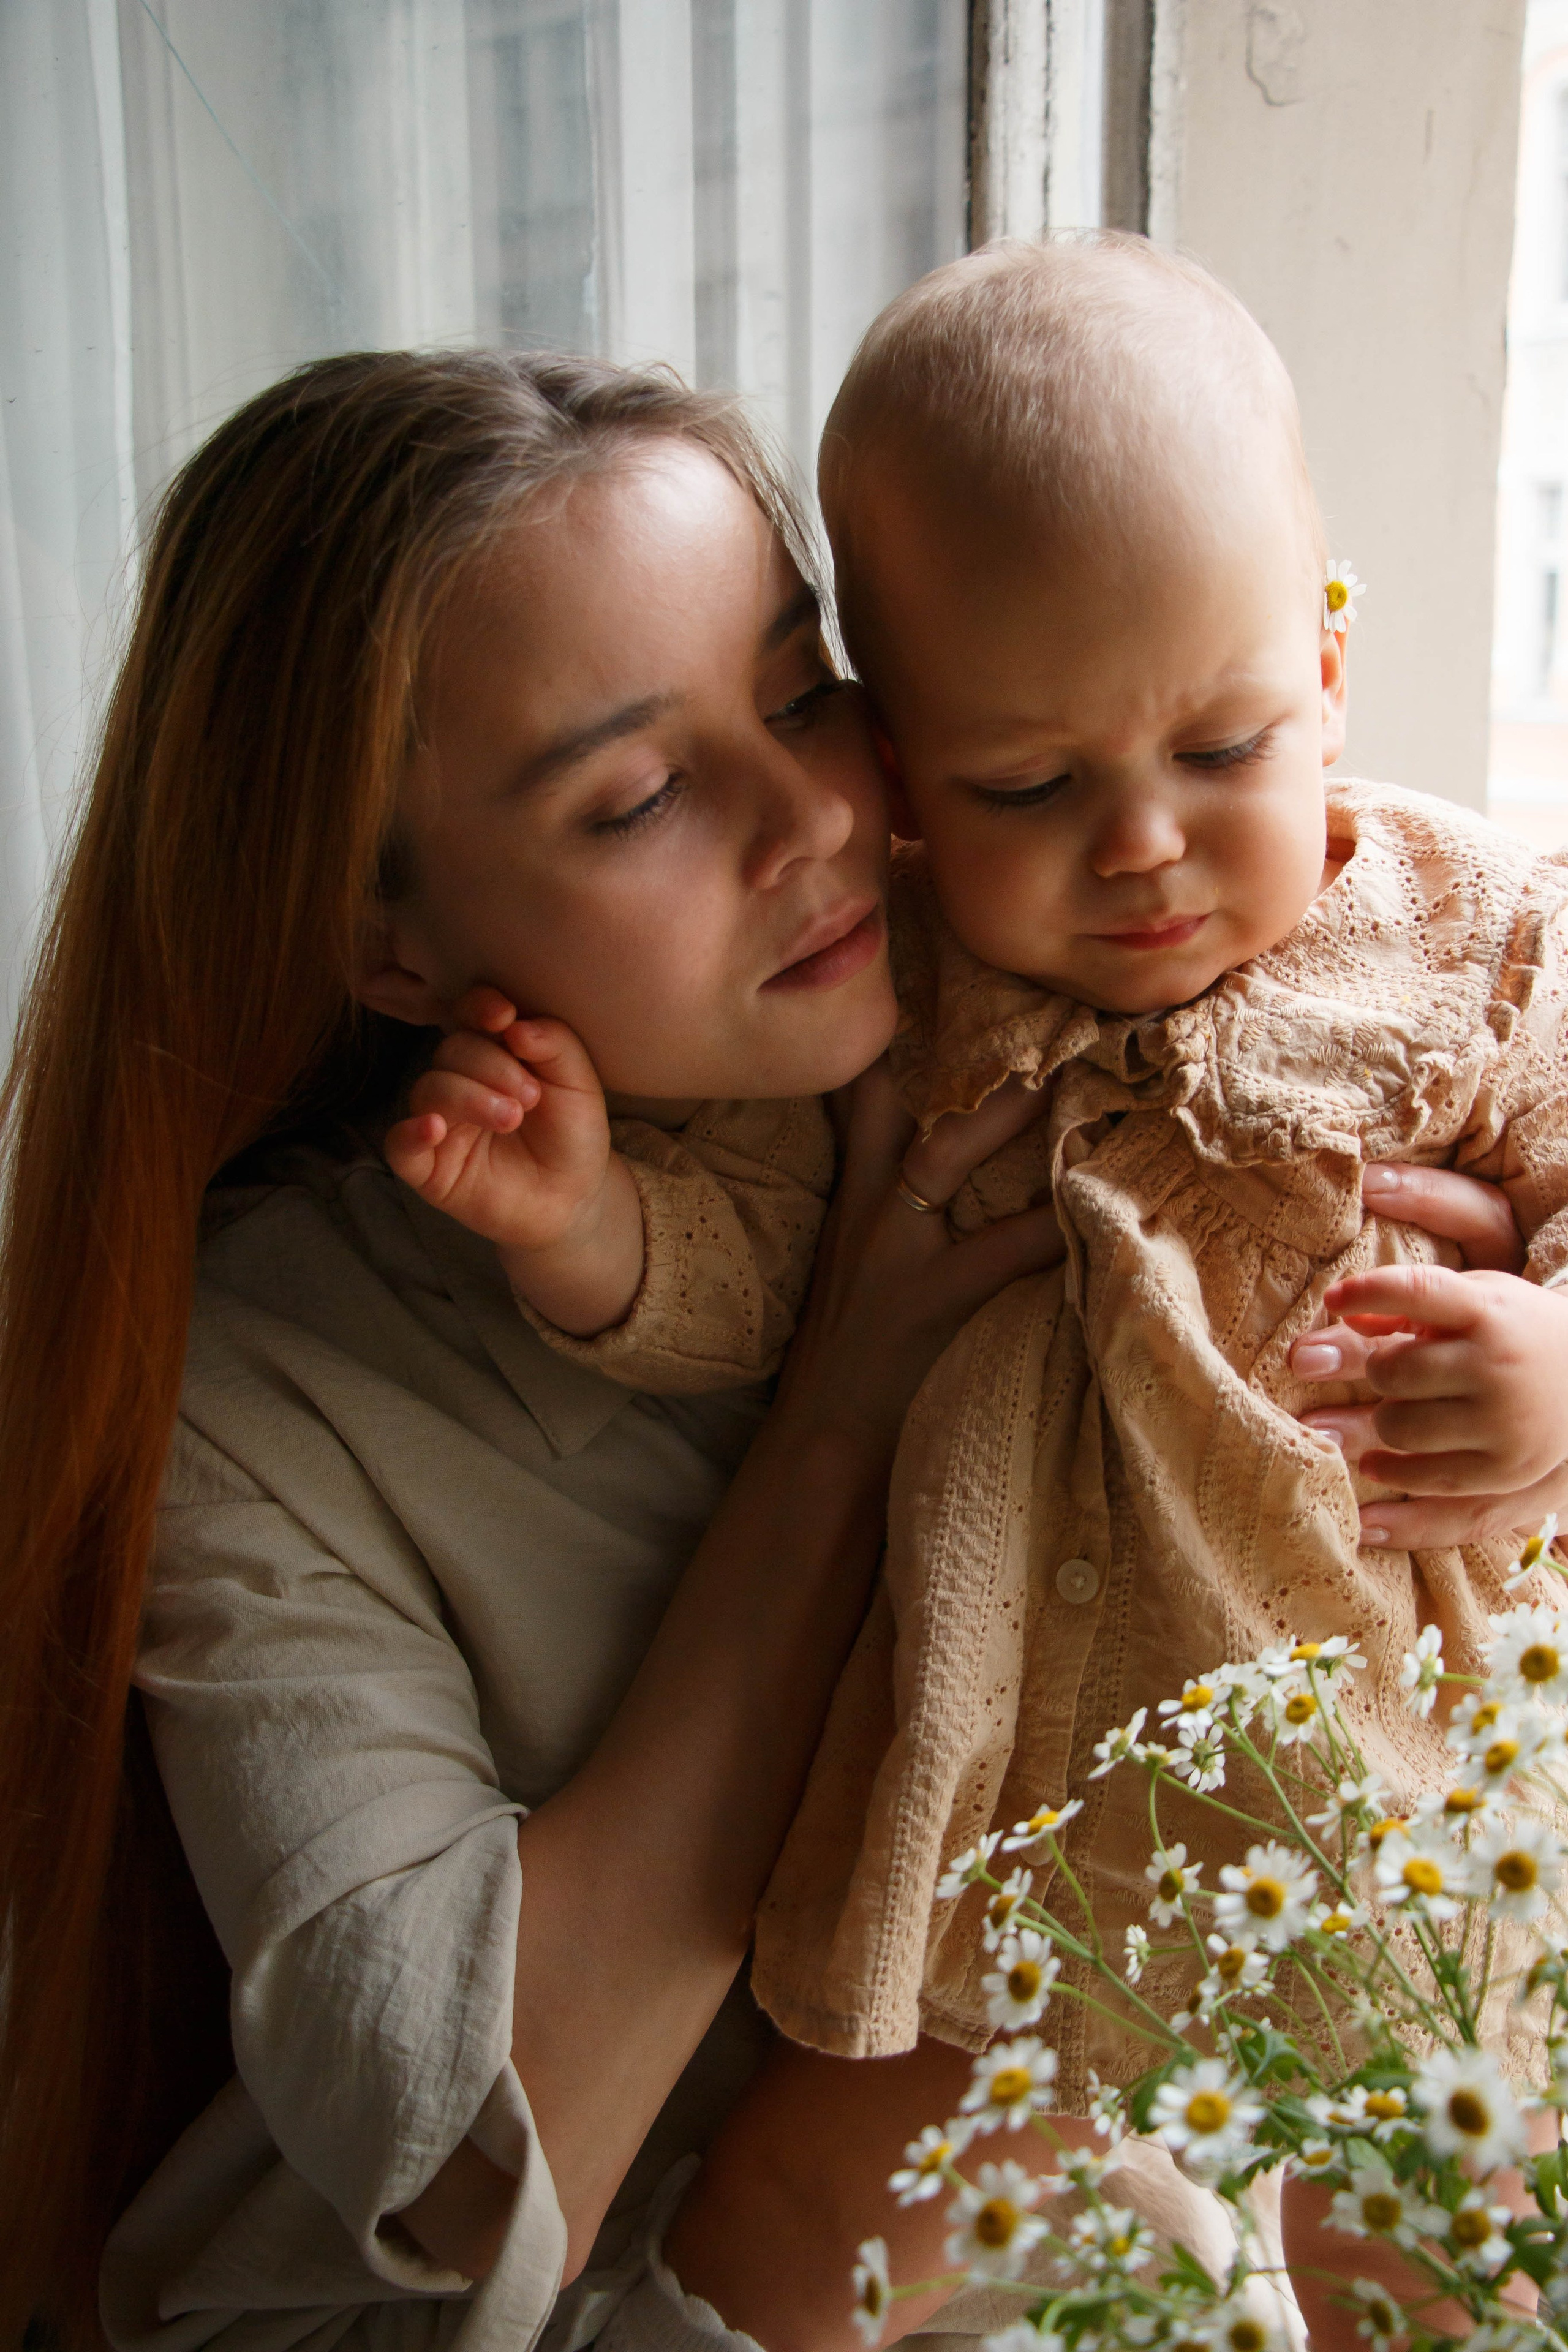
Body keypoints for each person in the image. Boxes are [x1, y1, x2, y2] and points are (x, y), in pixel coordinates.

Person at [396, 241, 1568, 2347]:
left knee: (1433, 2252)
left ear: (1326, 663)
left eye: (1223, 748)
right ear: (906, 778)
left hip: (1395, 1792)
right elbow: (756, 1274)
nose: (1141, 847)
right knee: (802, 2219)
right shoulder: (898, 1005)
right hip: (1009, 1852)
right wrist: (579, 1228)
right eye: (1028, 787)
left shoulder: (1463, 932)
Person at [0, 348, 1074, 2351]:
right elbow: (491, 2152)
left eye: (799, 688)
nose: (813, 819)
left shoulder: (1021, 1021)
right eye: (643, 795)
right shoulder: (258, 1382)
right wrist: (833, 1421)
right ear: (389, 946)